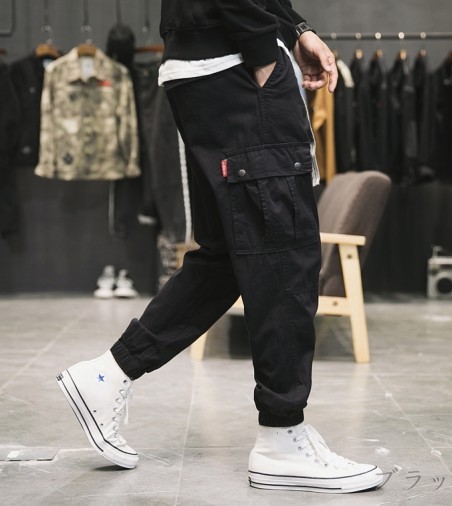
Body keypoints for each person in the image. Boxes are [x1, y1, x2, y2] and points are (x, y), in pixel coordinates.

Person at [57, 0, 384, 494]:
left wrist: (295, 29)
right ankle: (282, 437)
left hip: (209, 63)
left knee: (228, 257)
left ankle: (107, 375)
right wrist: (263, 51)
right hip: (236, 63)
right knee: (284, 254)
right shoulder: (251, 56)